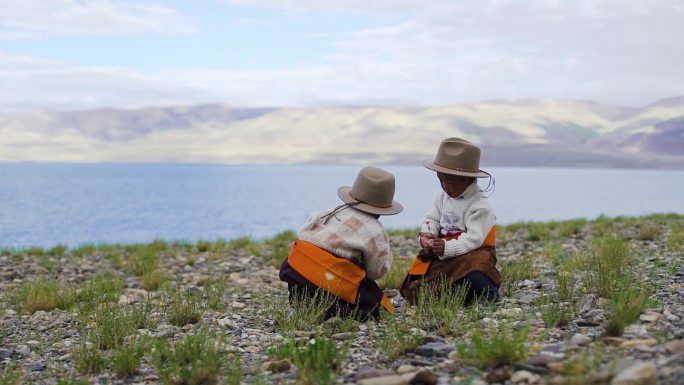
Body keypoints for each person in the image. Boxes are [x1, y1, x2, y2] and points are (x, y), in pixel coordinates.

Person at [279, 166, 403, 320]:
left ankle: (304, 304)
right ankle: (329, 310)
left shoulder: (328, 212)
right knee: (379, 309)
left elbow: (303, 235)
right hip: (330, 282)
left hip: (296, 274)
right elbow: (376, 272)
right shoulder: (376, 231)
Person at [400, 137, 501, 305]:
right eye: (441, 181)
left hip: (471, 253)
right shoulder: (442, 196)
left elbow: (474, 239)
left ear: (467, 179)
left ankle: (487, 292)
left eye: (451, 182)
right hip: (443, 252)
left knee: (476, 269)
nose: (445, 187)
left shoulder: (480, 206)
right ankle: (455, 291)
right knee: (412, 283)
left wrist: (446, 247)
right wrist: (427, 236)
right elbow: (431, 219)